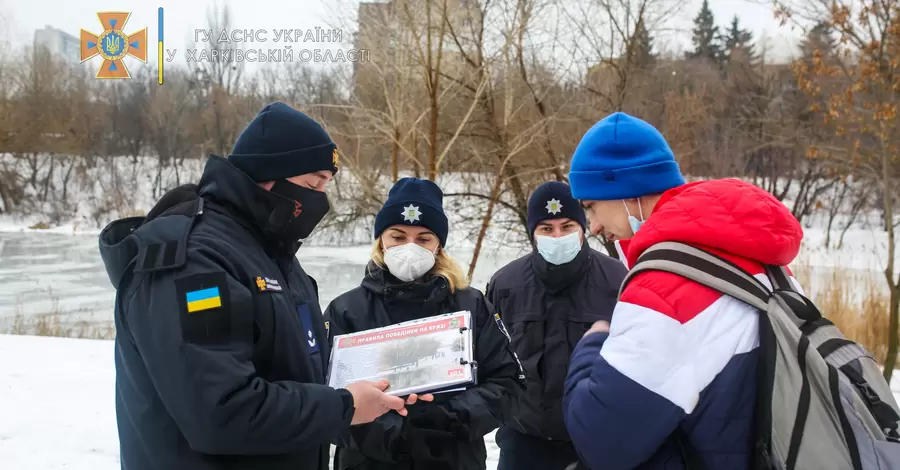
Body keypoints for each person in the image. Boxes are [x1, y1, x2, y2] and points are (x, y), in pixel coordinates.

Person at [99, 102, 420, 470]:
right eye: (313, 184)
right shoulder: (194, 263)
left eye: (326, 185)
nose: (320, 199)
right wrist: (343, 407)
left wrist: (382, 380)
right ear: (269, 176)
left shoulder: (276, 258)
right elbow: (220, 412)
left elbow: (298, 370)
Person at [561, 111, 804, 469]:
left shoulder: (663, 290)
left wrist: (592, 345)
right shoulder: (758, 260)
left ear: (625, 190)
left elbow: (601, 440)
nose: (594, 225)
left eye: (591, 206)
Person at [324, 177, 526, 470]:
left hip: (455, 458)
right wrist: (398, 433)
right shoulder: (346, 310)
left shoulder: (471, 305)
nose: (410, 247)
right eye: (397, 236)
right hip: (370, 462)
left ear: (438, 246)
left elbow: (507, 383)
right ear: (381, 239)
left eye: (423, 239)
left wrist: (448, 419)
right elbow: (327, 399)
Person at [485, 181, 627, 470]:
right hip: (523, 442)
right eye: (547, 229)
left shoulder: (617, 280)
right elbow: (491, 361)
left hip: (597, 442)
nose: (558, 236)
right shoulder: (505, 285)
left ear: (583, 227)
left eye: (567, 226)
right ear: (533, 233)